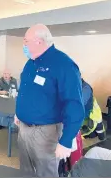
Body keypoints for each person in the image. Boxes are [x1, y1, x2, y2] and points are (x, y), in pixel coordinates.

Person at [14, 24, 85, 177]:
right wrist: (18, 113)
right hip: (24, 128)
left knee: (45, 172)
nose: (24, 45)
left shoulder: (64, 65)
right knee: (25, 170)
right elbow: (26, 91)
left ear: (38, 41)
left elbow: (74, 104)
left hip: (46, 132)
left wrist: (66, 140)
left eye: (26, 41)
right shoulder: (31, 62)